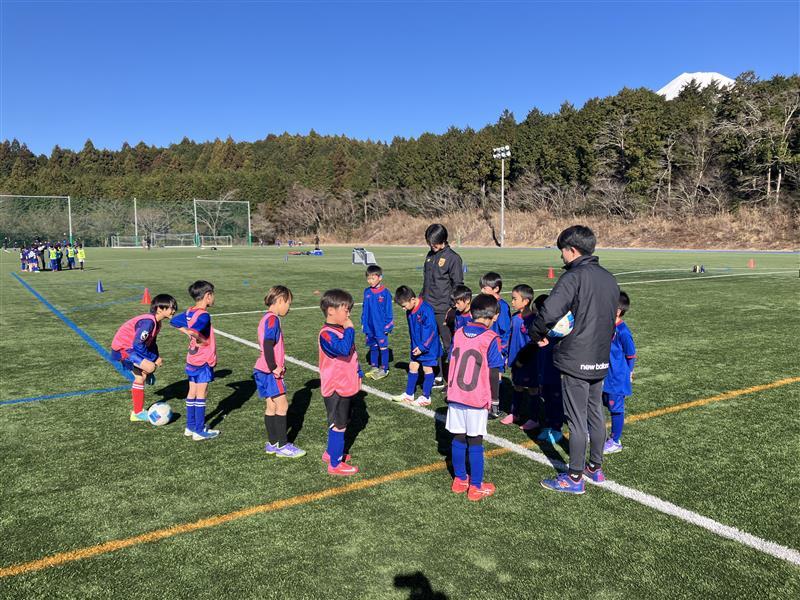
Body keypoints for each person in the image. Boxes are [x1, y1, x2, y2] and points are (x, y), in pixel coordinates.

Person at [531, 226, 619, 494]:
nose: (561, 257)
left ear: (571, 250)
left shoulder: (573, 276)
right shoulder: (609, 278)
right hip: (600, 356)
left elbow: (549, 311)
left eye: (562, 251)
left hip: (576, 357)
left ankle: (574, 477)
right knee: (595, 412)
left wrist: (537, 333)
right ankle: (595, 467)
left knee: (577, 419)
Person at [446, 293, 505, 501]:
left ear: (471, 313)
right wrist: (495, 400)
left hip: (455, 394)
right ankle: (476, 486)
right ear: (494, 316)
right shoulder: (491, 338)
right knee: (475, 441)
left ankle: (460, 479)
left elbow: (451, 360)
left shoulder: (459, 333)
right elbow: (494, 372)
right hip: (476, 397)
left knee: (458, 438)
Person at [254, 286, 306, 458]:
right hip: (269, 371)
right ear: (280, 301)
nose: (289, 307)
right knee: (282, 406)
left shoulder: (265, 318)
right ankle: (283, 446)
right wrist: (274, 367)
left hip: (260, 368)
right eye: (288, 303)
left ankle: (273, 443)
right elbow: (268, 343)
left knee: (271, 406)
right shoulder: (273, 320)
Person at [110, 294, 178, 422]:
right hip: (123, 349)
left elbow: (151, 343)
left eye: (174, 307)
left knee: (142, 376)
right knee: (149, 368)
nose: (174, 310)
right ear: (159, 309)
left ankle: (137, 413)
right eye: (171, 307)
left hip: (131, 348)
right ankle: (138, 412)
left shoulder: (157, 323)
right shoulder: (148, 322)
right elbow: (138, 344)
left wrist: (155, 357)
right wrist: (154, 359)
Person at [318, 289, 363, 476]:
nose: (348, 314)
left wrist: (358, 372)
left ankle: (331, 453)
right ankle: (335, 465)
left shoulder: (340, 330)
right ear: (331, 311)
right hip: (336, 388)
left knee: (341, 421)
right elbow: (343, 349)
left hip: (346, 385)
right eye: (346, 310)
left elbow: (352, 354)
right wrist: (350, 329)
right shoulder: (326, 334)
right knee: (339, 425)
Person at [170, 280, 220, 441]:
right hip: (203, 360)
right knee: (201, 393)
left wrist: (188, 333)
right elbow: (195, 330)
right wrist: (200, 338)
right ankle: (199, 430)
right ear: (208, 296)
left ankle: (190, 427)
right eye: (213, 295)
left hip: (192, 358)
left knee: (192, 391)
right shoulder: (204, 315)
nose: (214, 298)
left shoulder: (190, 312)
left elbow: (173, 321)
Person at [421, 224, 463, 387]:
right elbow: (427, 282)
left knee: (448, 344)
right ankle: (438, 375)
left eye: (434, 242)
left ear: (443, 240)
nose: (432, 245)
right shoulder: (430, 255)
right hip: (428, 307)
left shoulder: (453, 258)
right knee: (432, 343)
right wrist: (421, 300)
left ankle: (454, 377)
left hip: (443, 309)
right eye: (429, 242)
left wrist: (452, 308)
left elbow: (458, 285)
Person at [394, 285, 442, 406]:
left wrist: (422, 347)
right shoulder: (409, 311)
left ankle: (426, 397)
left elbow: (431, 331)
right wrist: (415, 345)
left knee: (427, 369)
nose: (403, 309)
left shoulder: (426, 310)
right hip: (417, 346)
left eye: (404, 305)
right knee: (413, 366)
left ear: (412, 299)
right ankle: (409, 394)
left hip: (428, 346)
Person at [602, 291, 636, 454]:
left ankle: (615, 441)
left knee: (616, 409)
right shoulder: (604, 325)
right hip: (603, 373)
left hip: (616, 378)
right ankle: (593, 431)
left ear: (617, 311)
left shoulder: (623, 331)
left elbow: (631, 355)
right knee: (596, 403)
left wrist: (629, 372)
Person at [503, 284, 539, 428]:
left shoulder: (534, 320)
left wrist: (524, 359)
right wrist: (507, 355)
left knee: (533, 388)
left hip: (530, 362)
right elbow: (510, 337)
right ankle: (514, 413)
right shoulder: (514, 318)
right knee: (517, 385)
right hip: (515, 360)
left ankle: (534, 418)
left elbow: (534, 344)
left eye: (515, 299)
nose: (512, 302)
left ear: (526, 301)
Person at [479, 272, 512, 418]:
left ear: (496, 289)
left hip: (497, 347)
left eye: (485, 288)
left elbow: (505, 330)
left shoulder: (502, 307)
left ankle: (495, 407)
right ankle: (487, 402)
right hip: (486, 345)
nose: (482, 290)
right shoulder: (487, 304)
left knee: (495, 375)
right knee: (485, 375)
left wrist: (502, 349)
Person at [533, 294, 565, 444]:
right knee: (545, 399)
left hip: (555, 372)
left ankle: (557, 428)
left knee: (556, 400)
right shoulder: (539, 329)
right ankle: (547, 426)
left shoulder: (558, 329)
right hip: (543, 370)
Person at [361, 265, 394, 380]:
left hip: (380, 326)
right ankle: (374, 367)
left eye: (373, 278)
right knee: (373, 346)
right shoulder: (367, 292)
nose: (370, 281)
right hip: (369, 326)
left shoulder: (385, 293)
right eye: (368, 278)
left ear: (380, 278)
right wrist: (363, 322)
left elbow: (389, 311)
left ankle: (384, 369)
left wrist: (388, 326)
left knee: (382, 347)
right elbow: (364, 308)